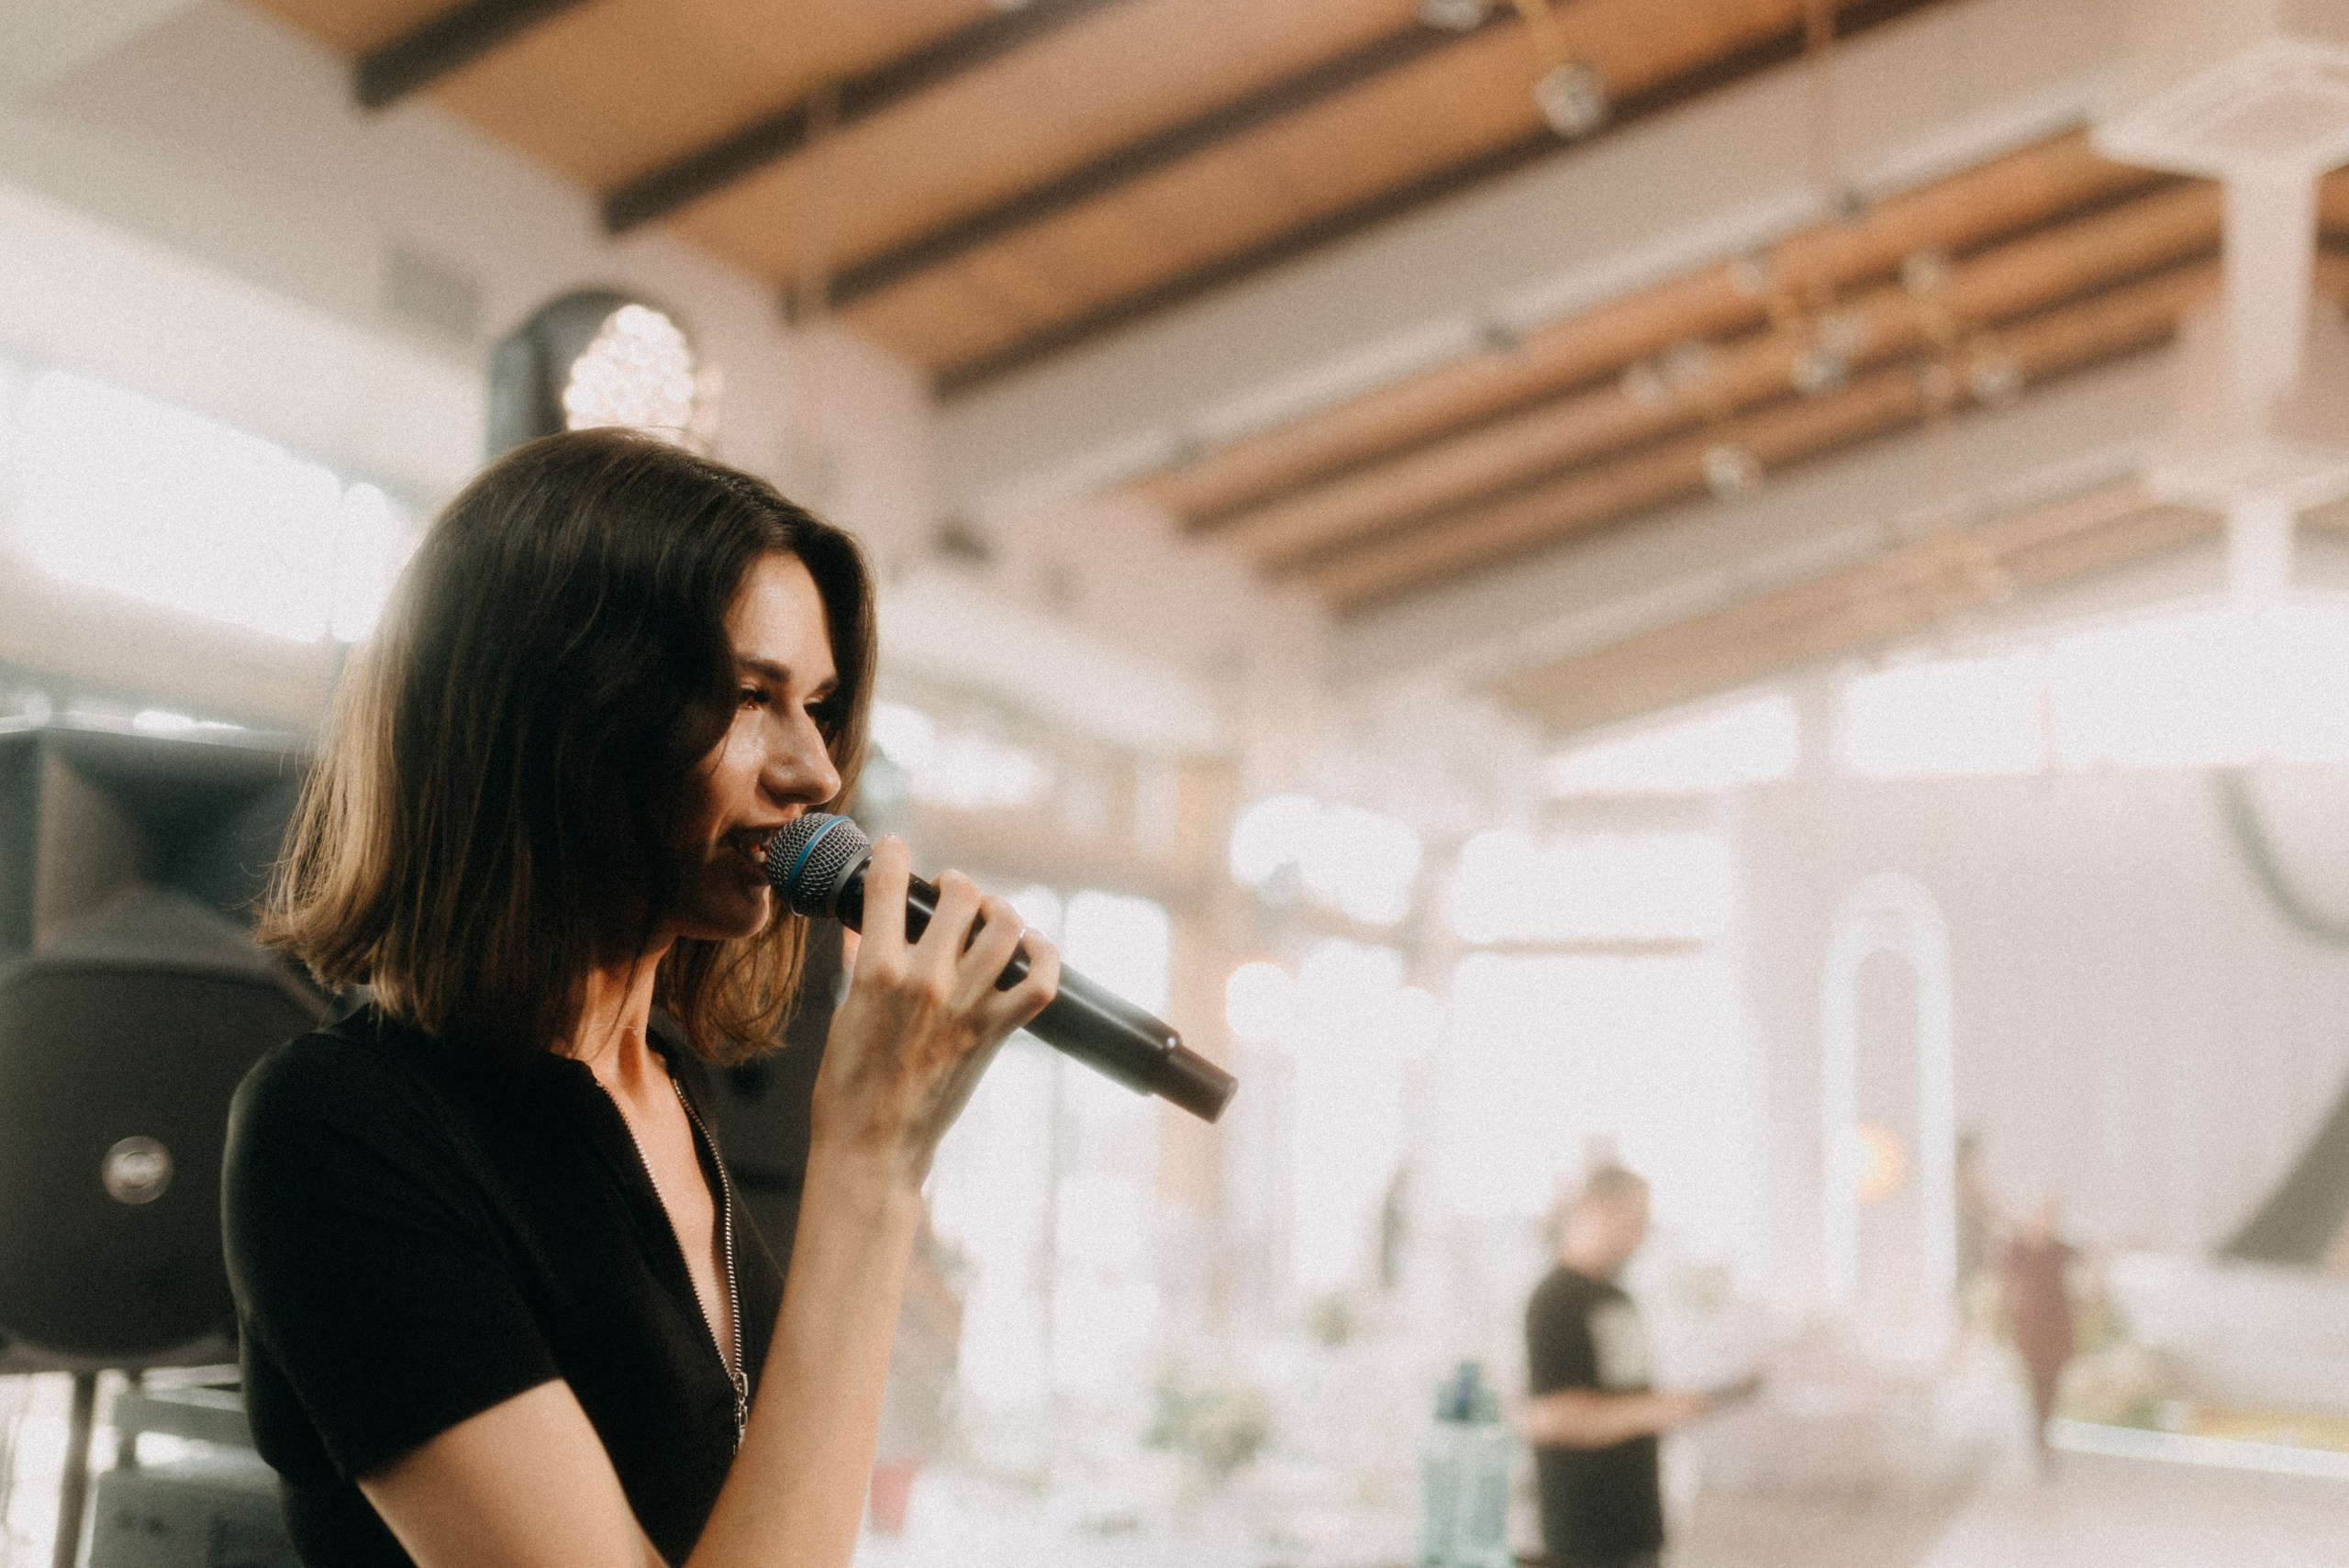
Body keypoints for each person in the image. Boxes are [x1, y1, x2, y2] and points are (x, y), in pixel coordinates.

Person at [222, 428, 1060, 1568]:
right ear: (562, 717)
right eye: (750, 697)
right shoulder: (342, 1127)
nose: (815, 771)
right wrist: (872, 1161)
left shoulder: (668, 1077)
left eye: (817, 704)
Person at [1520, 1166, 1745, 1568]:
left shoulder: (1620, 1298)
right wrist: (1666, 1408)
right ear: (1596, 1210)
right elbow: (1553, 1418)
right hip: (1582, 1540)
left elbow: (1625, 1392)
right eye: (1633, 1217)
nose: (1641, 1231)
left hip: (1638, 1533)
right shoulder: (1553, 1301)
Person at [1996, 1193, 2077, 1473]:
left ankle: (2043, 1434)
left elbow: (2086, 1268)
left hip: (2056, 1323)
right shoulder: (2019, 1248)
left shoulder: (2061, 1249)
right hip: (2029, 1324)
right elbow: (2004, 1286)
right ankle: (2036, 1436)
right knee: (2033, 1382)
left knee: (2051, 1383)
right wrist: (1999, 1323)